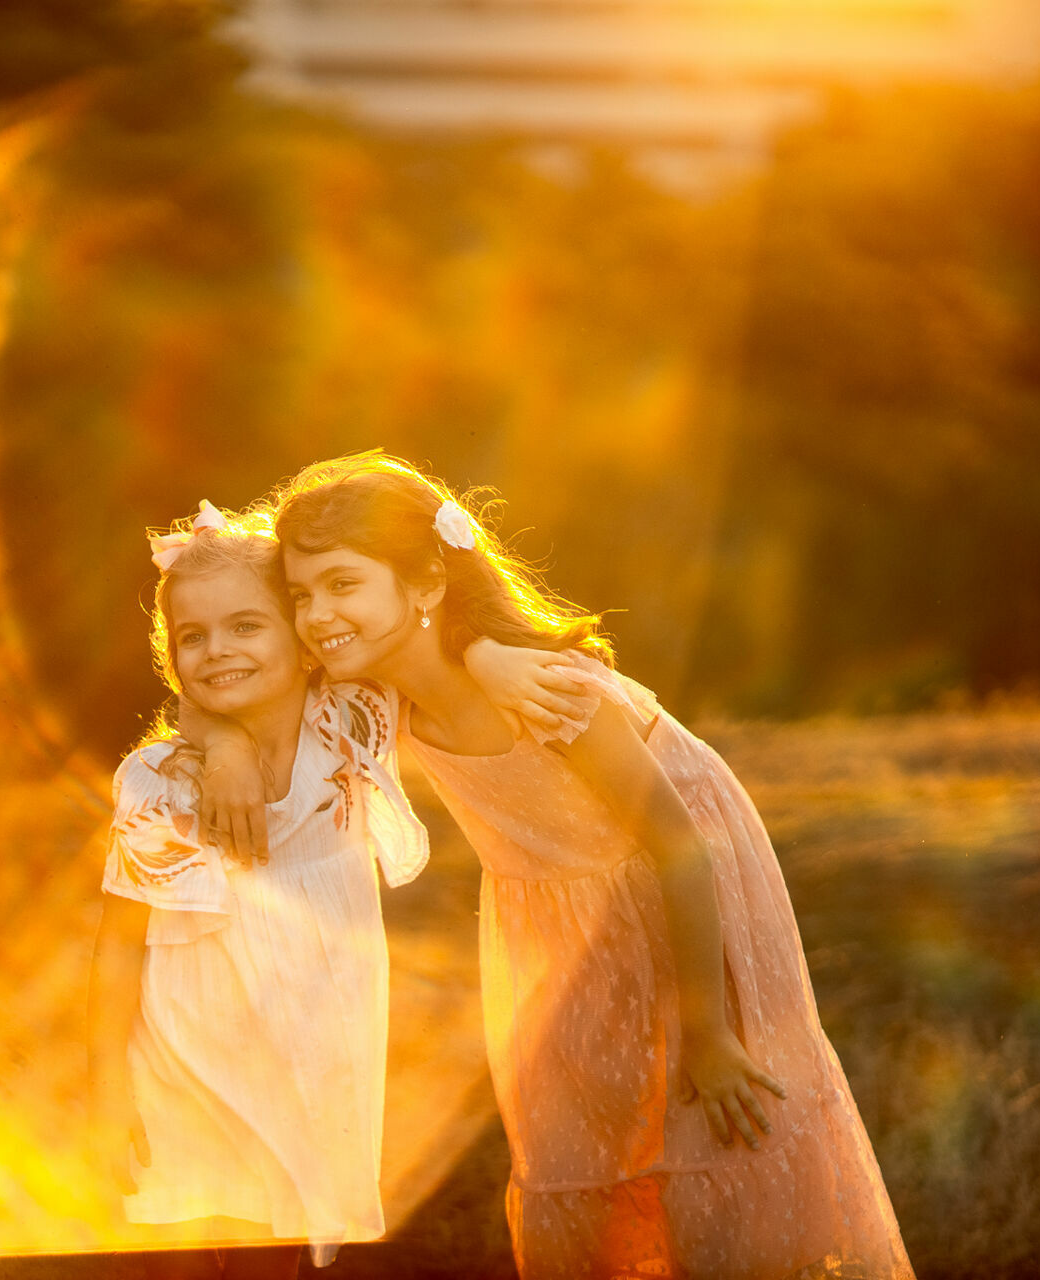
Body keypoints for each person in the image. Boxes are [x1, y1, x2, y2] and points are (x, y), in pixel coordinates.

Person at [204, 453, 914, 1280]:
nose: (317, 614)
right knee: (589, 1142)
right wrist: (224, 748)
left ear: (427, 581)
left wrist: (710, 1031)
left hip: (678, 884)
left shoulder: (546, 693)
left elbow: (682, 847)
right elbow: (221, 679)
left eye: (342, 584)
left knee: (707, 1122)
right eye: (300, 594)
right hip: (553, 915)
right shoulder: (372, 696)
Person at [86, 500, 431, 1279]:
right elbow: (119, 944)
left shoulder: (349, 723)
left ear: (305, 642)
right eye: (193, 636)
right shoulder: (159, 782)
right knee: (187, 1245)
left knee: (277, 1253)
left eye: (246, 626)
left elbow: (415, 639)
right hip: (188, 1067)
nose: (218, 650)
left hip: (313, 1053)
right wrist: (105, 1089)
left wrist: (227, 740)